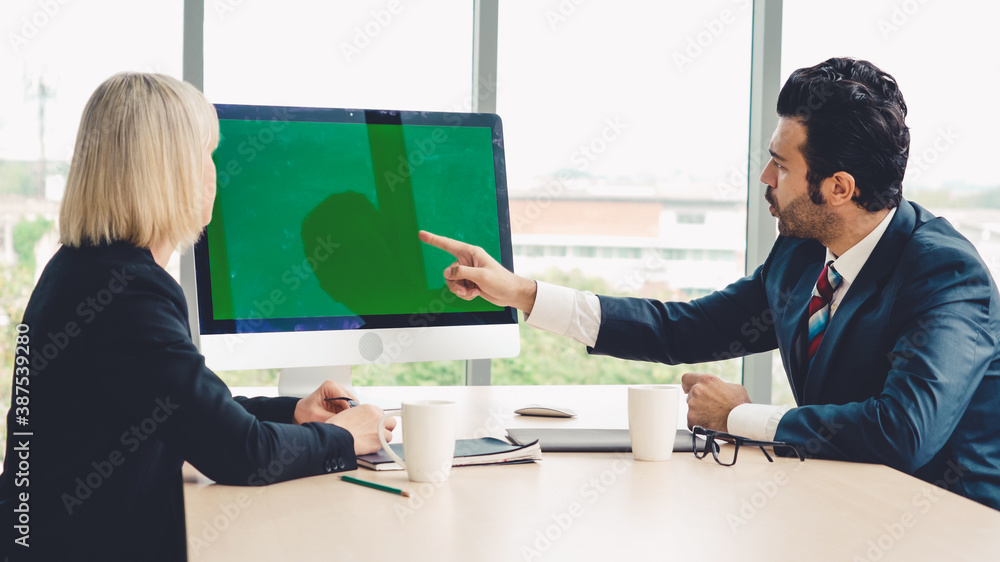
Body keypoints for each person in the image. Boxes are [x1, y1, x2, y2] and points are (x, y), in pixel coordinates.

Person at [419, 57, 1000, 511]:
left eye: (781, 165)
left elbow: (902, 431)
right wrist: (523, 293)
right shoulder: (802, 252)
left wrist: (741, 417)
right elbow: (688, 330)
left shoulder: (944, 274)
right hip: (847, 505)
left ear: (840, 188)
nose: (766, 179)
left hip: (946, 525)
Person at [0, 72, 396, 560]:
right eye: (206, 154)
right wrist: (343, 438)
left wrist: (293, 412)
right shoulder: (127, 295)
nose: (216, 171)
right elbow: (239, 454)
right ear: (167, 172)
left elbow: (190, 412)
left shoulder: (85, 269)